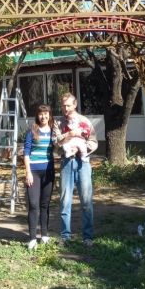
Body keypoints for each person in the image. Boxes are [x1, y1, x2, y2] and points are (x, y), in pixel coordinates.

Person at [57, 92, 98, 246]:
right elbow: (56, 143)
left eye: (68, 105)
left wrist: (82, 149)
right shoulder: (59, 123)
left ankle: (87, 237)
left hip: (83, 163)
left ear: (75, 104)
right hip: (66, 163)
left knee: (86, 200)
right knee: (65, 200)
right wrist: (68, 136)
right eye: (63, 105)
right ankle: (65, 236)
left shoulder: (84, 121)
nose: (65, 108)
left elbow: (93, 141)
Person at [23, 103, 56, 250]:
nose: (43, 116)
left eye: (46, 113)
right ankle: (32, 238)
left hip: (48, 172)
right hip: (34, 172)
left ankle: (44, 235)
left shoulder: (54, 131)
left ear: (49, 115)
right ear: (37, 115)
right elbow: (26, 152)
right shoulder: (32, 130)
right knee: (34, 205)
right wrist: (28, 172)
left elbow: (60, 145)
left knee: (45, 205)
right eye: (41, 114)